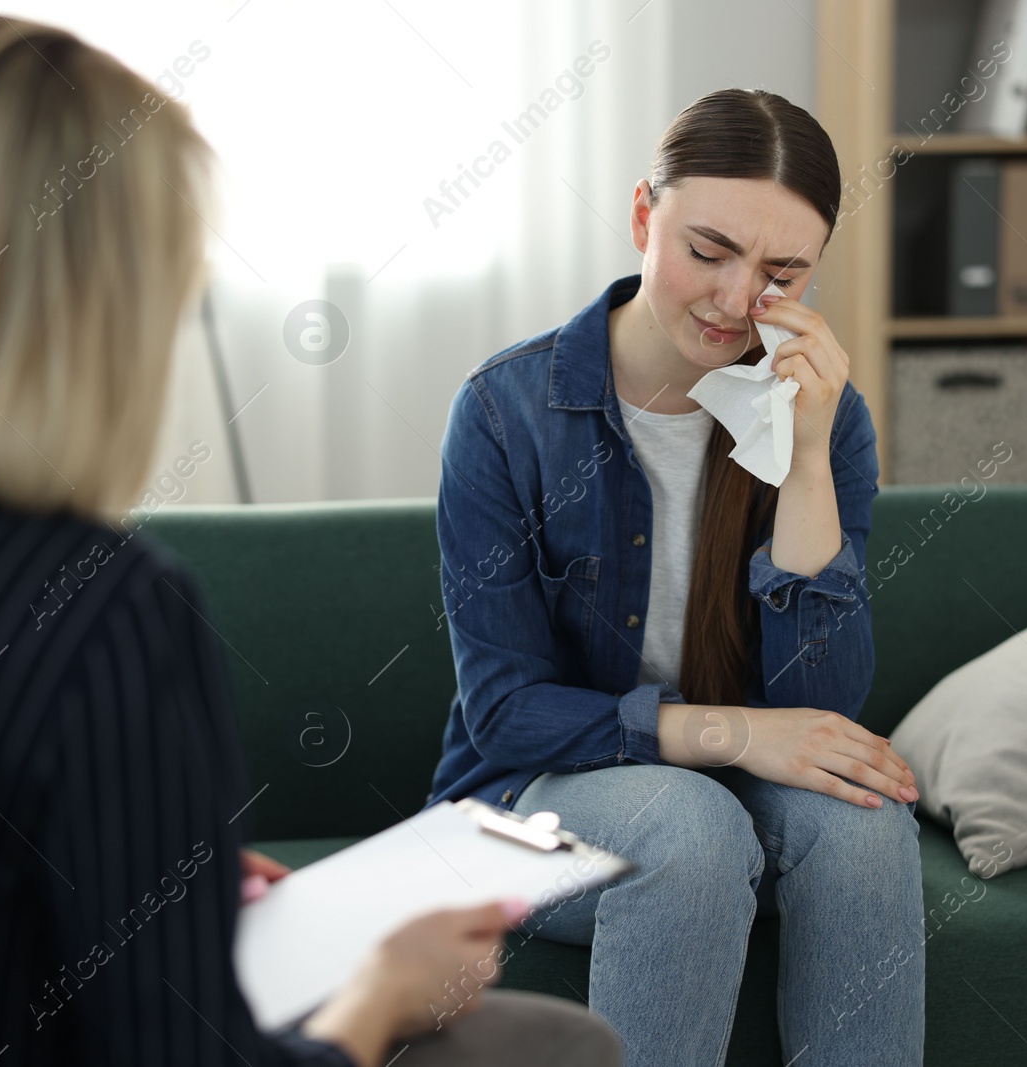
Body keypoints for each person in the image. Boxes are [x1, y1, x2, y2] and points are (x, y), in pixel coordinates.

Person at [0, 14, 619, 1067]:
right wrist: (379, 995)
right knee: (543, 1047)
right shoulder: (100, 608)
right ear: (106, 310)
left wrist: (158, 861)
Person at [425, 88, 926, 1065]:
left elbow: (822, 698)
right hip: (525, 804)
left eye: (782, 274)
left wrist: (811, 456)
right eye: (709, 251)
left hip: (734, 797)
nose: (739, 302)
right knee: (691, 825)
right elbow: (505, 711)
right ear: (643, 217)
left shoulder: (828, 415)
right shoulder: (504, 411)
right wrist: (731, 730)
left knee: (867, 827)